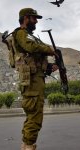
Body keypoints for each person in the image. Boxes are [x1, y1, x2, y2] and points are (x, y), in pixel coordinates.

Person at [13, 8, 58, 150]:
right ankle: (28, 146)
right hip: (31, 80)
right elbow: (30, 47)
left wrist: (50, 66)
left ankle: (27, 145)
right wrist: (49, 50)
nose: (36, 21)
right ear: (26, 18)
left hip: (36, 78)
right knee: (35, 116)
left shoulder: (30, 36)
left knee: (34, 115)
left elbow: (35, 58)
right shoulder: (21, 33)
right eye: (34, 18)